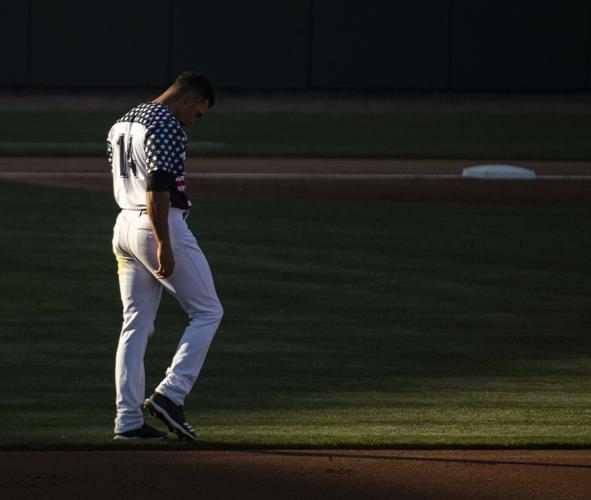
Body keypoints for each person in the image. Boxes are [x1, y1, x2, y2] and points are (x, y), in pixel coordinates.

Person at [107, 71, 223, 440]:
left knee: (135, 325)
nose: (193, 121)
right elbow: (157, 187)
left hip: (122, 226)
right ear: (188, 100)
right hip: (156, 224)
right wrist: (164, 243)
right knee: (207, 311)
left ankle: (127, 421)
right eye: (198, 113)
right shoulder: (167, 124)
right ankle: (171, 394)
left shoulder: (123, 122)